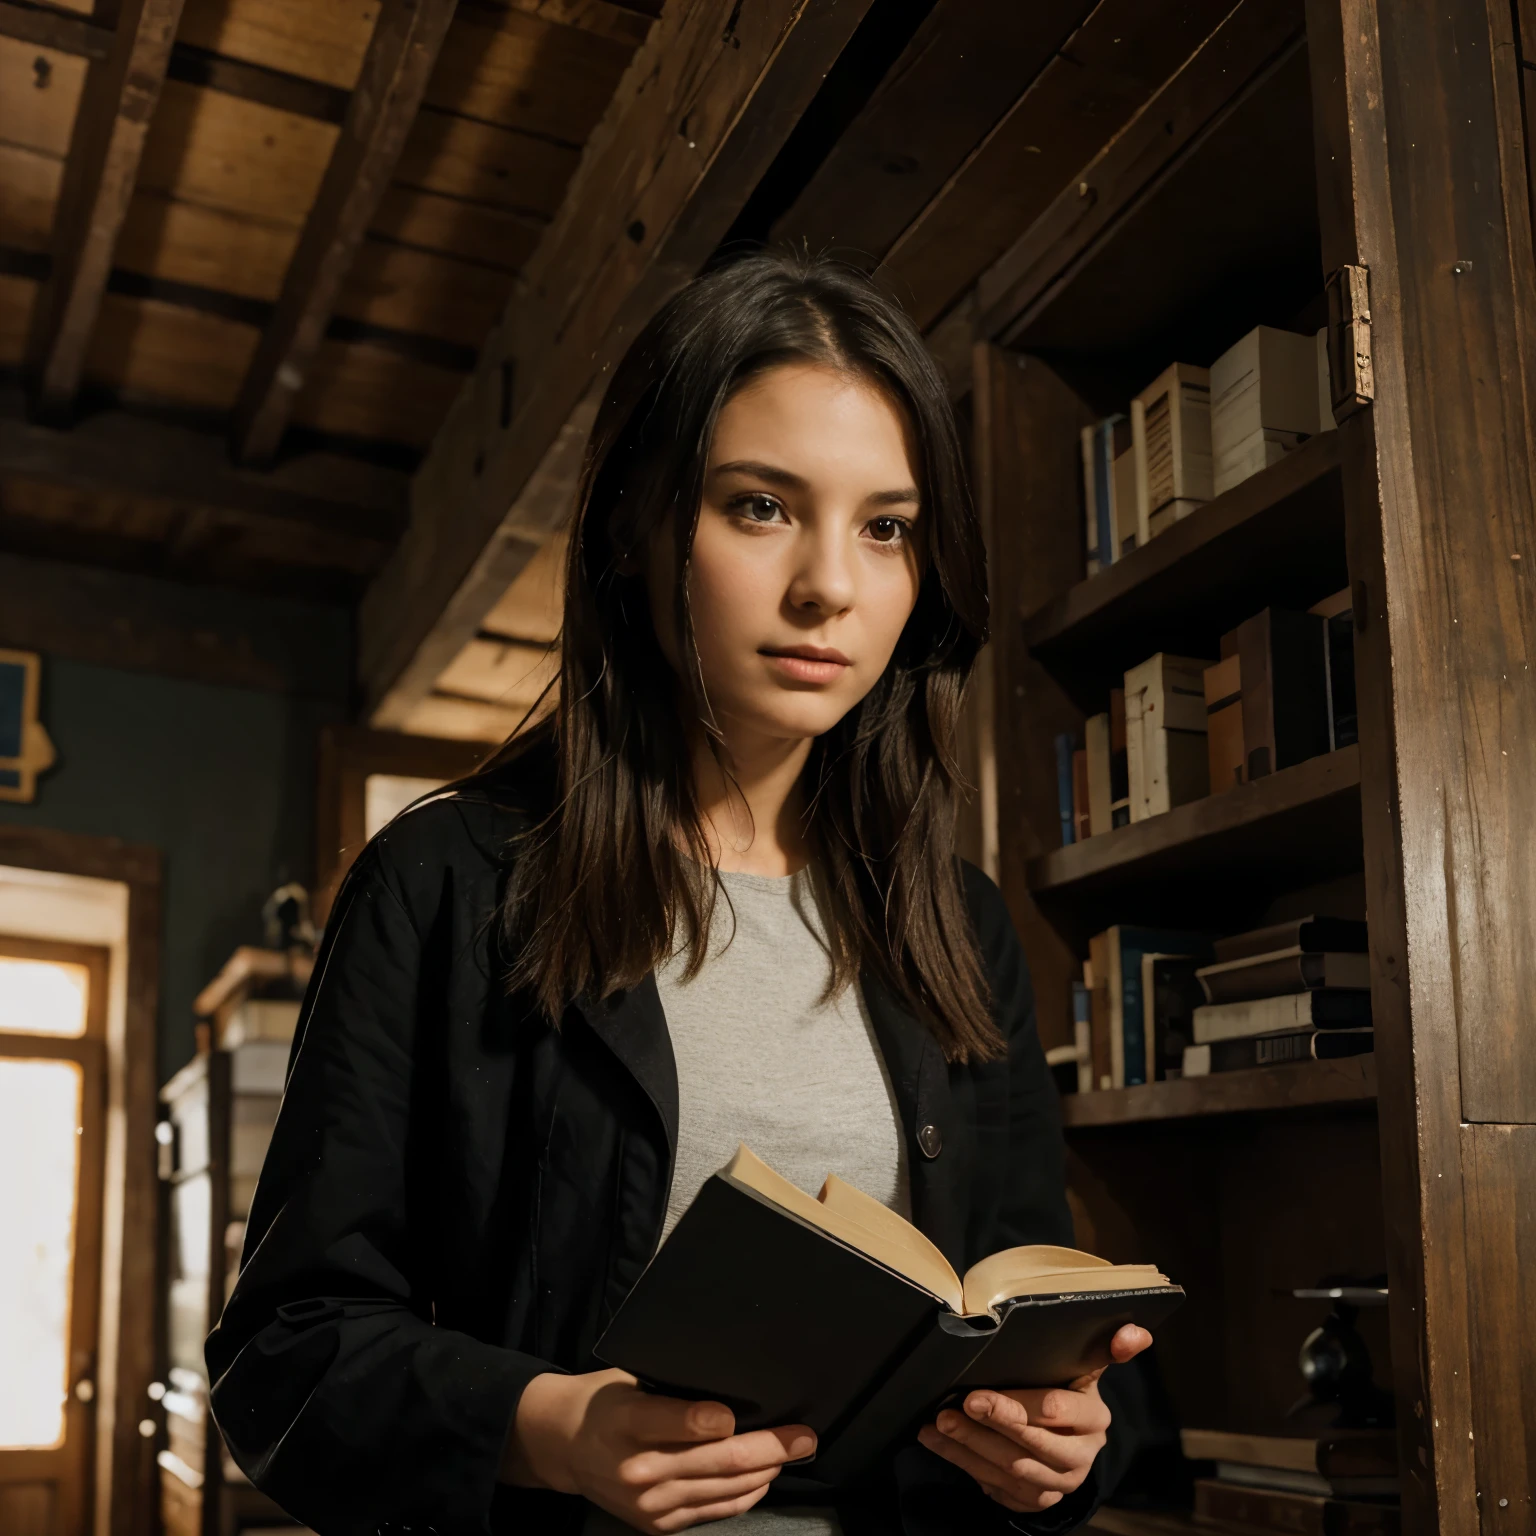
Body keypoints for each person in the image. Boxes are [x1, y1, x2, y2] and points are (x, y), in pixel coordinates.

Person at [206, 252, 1156, 1536]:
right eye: (762, 506)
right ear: (634, 532)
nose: (830, 583)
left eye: (887, 526)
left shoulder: (958, 922)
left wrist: (1064, 1443)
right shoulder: (442, 883)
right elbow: (283, 1360)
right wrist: (556, 1430)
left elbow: (1033, 1305)